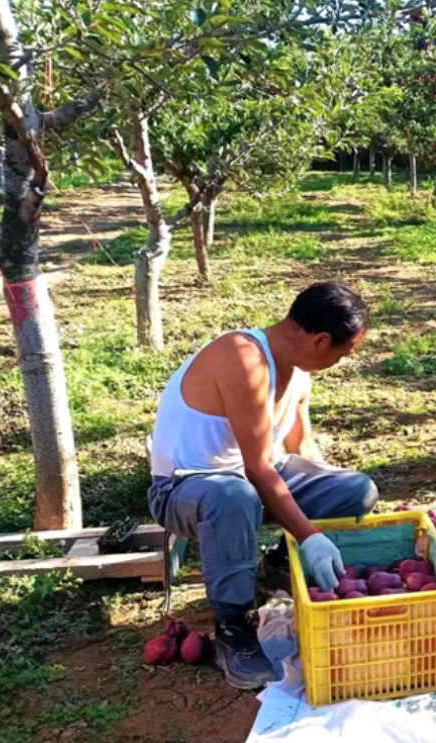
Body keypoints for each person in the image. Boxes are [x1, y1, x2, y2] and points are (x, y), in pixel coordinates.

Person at [148, 281, 378, 689]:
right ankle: (232, 626)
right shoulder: (243, 359)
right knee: (233, 496)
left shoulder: (299, 372)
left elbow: (301, 450)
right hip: (186, 489)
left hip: (251, 483)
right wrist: (309, 536)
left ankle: (273, 570)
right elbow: (256, 468)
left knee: (356, 489)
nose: (341, 363)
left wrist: (331, 504)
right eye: (343, 354)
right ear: (321, 340)